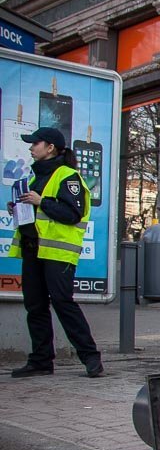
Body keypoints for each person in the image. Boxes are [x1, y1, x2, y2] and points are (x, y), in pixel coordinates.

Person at [6, 127, 103, 379]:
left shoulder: (67, 176)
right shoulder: (32, 177)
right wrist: (17, 209)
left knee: (63, 303)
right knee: (35, 306)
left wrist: (41, 202)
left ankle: (91, 358)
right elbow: (36, 216)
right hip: (32, 250)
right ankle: (40, 361)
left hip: (58, 253)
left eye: (35, 143)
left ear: (50, 147)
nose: (31, 147)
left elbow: (73, 214)